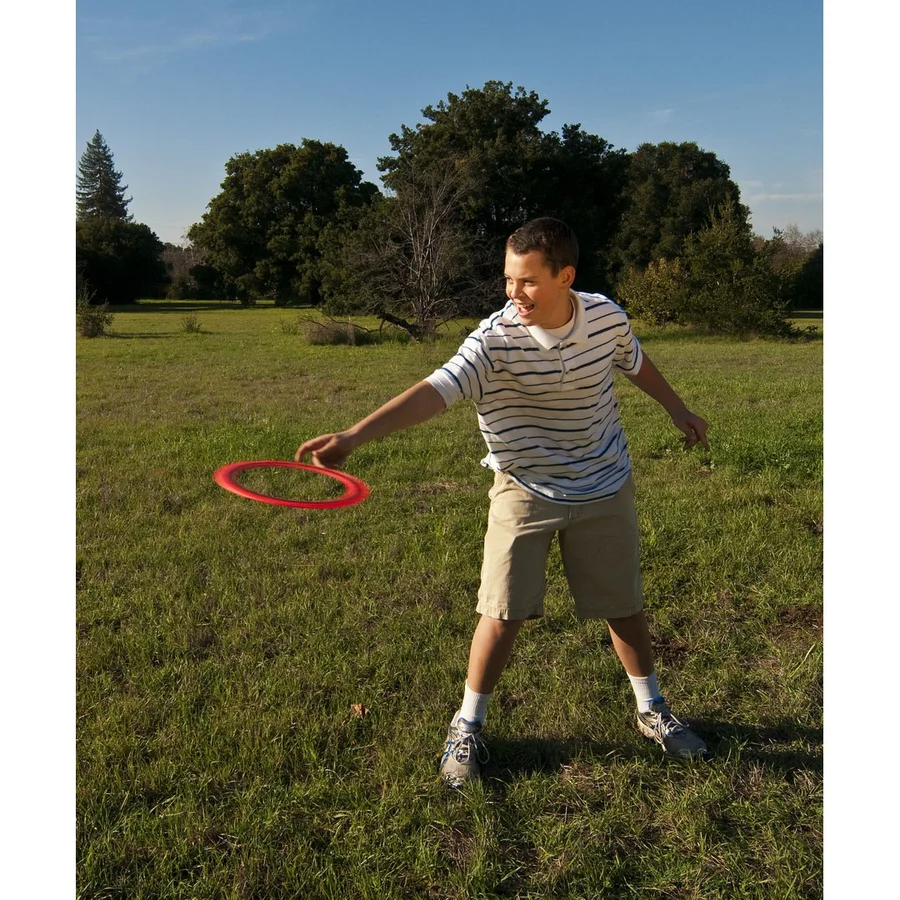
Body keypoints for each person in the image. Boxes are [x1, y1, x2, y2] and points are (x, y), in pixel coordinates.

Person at [296, 217, 710, 787]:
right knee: (501, 611)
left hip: (604, 481)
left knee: (623, 604)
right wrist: (353, 436)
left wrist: (677, 408)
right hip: (524, 487)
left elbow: (634, 361)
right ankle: (467, 724)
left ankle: (651, 709)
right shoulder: (493, 342)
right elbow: (434, 391)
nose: (513, 294)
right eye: (508, 280)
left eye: (528, 282)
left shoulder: (606, 317)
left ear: (566, 276)